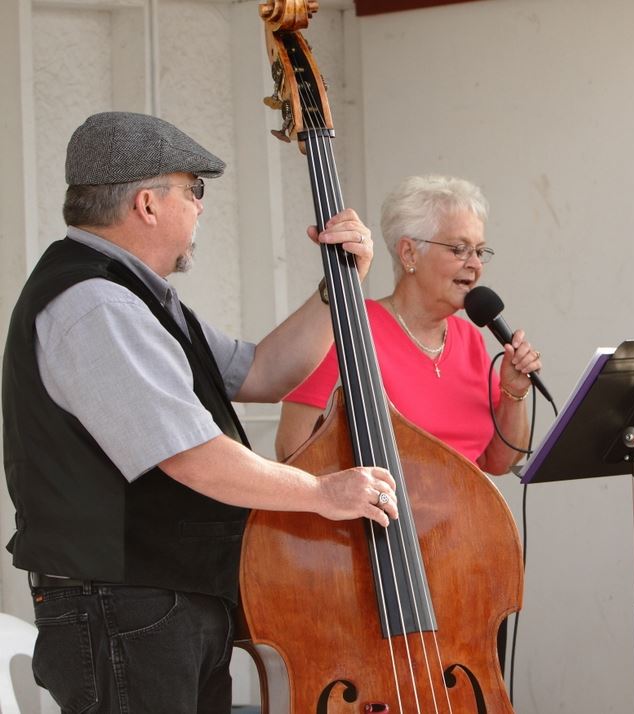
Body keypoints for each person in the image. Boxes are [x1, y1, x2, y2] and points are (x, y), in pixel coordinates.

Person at [1, 111, 399, 714]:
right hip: (125, 605)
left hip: (158, 602)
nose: (201, 207)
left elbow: (261, 371)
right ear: (147, 204)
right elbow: (193, 457)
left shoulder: (134, 296)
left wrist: (338, 287)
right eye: (194, 189)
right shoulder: (96, 303)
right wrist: (322, 491)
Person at [275, 174, 542, 474]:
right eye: (459, 249)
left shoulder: (471, 339)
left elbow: (499, 462)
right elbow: (292, 451)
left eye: (479, 251)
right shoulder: (347, 328)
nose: (476, 264)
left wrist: (513, 392)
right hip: (380, 518)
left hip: (468, 520)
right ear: (409, 253)